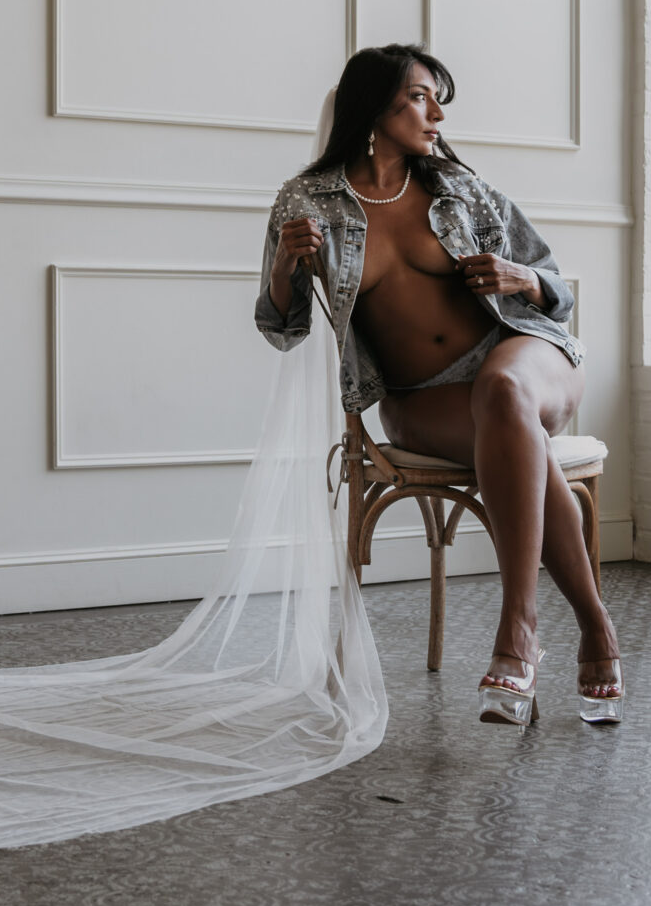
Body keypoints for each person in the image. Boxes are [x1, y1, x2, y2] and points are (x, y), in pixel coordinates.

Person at [257, 44, 622, 726]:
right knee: (517, 433)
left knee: (504, 393)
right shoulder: (307, 202)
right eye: (420, 96)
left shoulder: (461, 188)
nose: (437, 111)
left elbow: (558, 292)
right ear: (375, 107)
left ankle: (519, 630)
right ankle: (597, 625)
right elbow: (281, 325)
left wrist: (520, 276)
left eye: (435, 97)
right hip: (419, 398)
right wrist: (285, 261)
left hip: (524, 354)